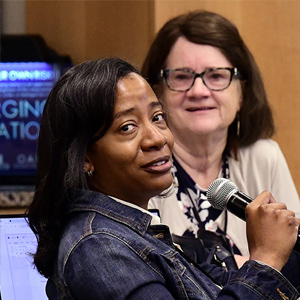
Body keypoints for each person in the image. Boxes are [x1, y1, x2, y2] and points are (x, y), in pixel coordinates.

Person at [27, 57, 300, 299]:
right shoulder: (99, 248)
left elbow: (218, 288)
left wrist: (282, 249)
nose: (158, 138)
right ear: (84, 156)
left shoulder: (138, 231)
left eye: (157, 117)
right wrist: (265, 259)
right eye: (128, 127)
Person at [141, 10, 300, 264]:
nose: (199, 91)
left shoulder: (264, 157)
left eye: (216, 76)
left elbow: (294, 259)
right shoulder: (143, 166)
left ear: (242, 90)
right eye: (182, 77)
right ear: (156, 91)